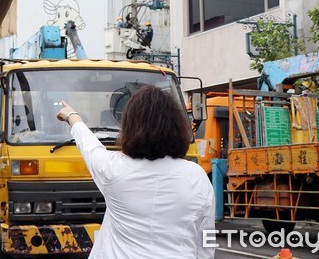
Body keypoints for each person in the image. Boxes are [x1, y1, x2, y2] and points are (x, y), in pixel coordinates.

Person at [56, 85, 215, 259]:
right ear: (177, 126)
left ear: (129, 127)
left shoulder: (114, 170)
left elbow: (90, 147)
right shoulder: (196, 176)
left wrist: (73, 117)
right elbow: (205, 241)